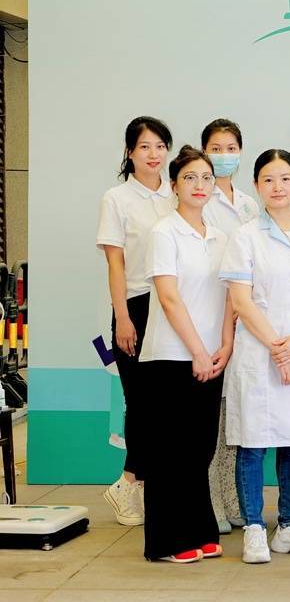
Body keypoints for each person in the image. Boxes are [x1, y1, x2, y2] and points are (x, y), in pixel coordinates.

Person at [220, 149, 290, 564]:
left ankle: (289, 525)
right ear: (256, 186)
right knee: (253, 443)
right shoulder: (245, 236)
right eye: (268, 179)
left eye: (285, 178)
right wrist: (279, 349)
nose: (277, 187)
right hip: (258, 351)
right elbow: (242, 301)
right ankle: (254, 527)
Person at [141, 146, 234, 563]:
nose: (199, 185)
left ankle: (199, 531)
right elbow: (169, 298)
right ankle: (167, 542)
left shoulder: (220, 237)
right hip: (171, 355)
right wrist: (197, 350)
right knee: (170, 451)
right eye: (190, 178)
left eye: (206, 178)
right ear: (174, 185)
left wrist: (225, 345)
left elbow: (230, 297)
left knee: (200, 449)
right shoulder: (164, 232)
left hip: (212, 355)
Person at [97, 116, 175, 526]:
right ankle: (129, 481)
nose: (153, 154)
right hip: (137, 305)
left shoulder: (177, 193)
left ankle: (141, 484)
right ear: (130, 152)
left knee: (164, 404)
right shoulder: (118, 198)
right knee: (142, 402)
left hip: (173, 306)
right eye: (145, 146)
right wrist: (123, 318)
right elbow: (116, 263)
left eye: (160, 146)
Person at [200, 118, 256, 535]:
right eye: (216, 149)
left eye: (231, 148)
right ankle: (211, 502)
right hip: (209, 312)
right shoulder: (198, 197)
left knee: (235, 414)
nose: (224, 156)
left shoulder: (251, 204)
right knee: (210, 418)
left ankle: (233, 498)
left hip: (244, 316)